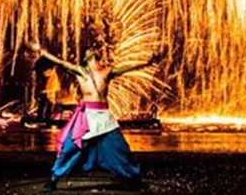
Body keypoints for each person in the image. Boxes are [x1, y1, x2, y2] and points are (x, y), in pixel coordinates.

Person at [26, 41, 164, 191]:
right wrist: (42, 51)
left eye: (93, 52)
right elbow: (60, 62)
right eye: (89, 52)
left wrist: (147, 63)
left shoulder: (107, 72)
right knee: (70, 148)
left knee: (120, 148)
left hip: (104, 116)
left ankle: (135, 178)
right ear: (86, 58)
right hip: (87, 117)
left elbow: (128, 67)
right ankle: (54, 179)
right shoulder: (80, 71)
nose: (92, 53)